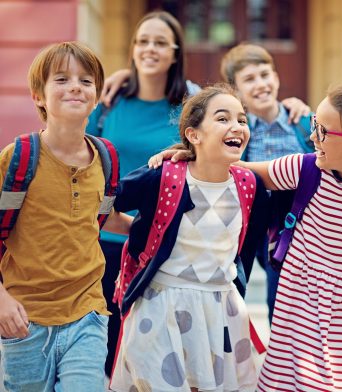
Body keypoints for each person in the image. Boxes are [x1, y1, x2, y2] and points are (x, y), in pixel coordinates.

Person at [149, 84, 342, 391]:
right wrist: (195, 154)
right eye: (314, 125)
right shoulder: (303, 170)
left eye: (322, 131)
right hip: (302, 319)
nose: (312, 137)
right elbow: (234, 168)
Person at [109, 85, 269, 392]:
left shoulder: (250, 186)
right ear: (194, 135)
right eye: (223, 119)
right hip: (161, 306)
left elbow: (247, 246)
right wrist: (144, 229)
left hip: (220, 309)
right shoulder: (162, 175)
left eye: (242, 120)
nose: (237, 126)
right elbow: (100, 207)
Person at [0, 42, 131, 391]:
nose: (75, 86)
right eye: (62, 79)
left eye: (85, 81)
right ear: (38, 96)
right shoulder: (18, 158)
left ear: (96, 95)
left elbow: (104, 216)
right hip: (24, 319)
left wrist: (158, 233)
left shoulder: (105, 158)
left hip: (87, 310)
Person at [85, 10, 200, 376]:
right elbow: (82, 154)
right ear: (133, 49)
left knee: (159, 355)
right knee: (109, 351)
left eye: (160, 42)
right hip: (106, 241)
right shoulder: (111, 100)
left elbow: (224, 154)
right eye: (142, 41)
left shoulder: (192, 103)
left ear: (175, 52)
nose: (149, 49)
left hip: (167, 247)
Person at [221, 43, 315, 321]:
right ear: (236, 91)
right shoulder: (236, 132)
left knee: (295, 302)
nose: (260, 84)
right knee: (247, 296)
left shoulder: (305, 124)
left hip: (302, 226)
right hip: (256, 227)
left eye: (265, 74)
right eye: (249, 79)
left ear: (275, 77)